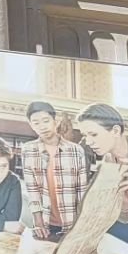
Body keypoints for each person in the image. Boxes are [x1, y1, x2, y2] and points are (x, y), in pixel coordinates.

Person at [20, 100, 92, 241]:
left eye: (46, 121)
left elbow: (82, 190)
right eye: (36, 123)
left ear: (55, 120)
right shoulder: (28, 150)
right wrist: (38, 221)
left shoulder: (75, 150)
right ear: (31, 125)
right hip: (46, 224)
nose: (42, 127)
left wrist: (82, 223)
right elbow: (32, 189)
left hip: (73, 221)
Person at [74, 102, 128, 249]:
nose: (89, 142)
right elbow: (125, 217)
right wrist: (123, 202)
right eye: (85, 135)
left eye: (93, 134)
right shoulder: (108, 161)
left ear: (116, 131)